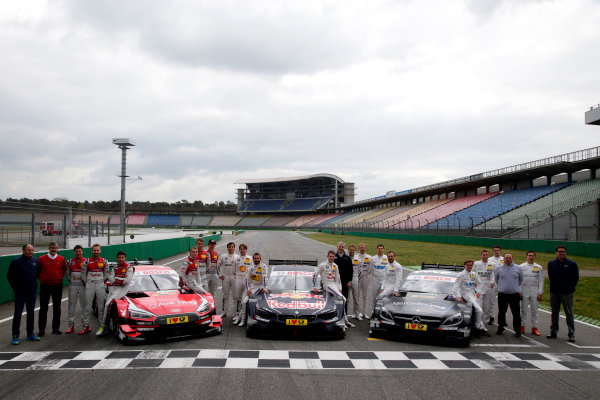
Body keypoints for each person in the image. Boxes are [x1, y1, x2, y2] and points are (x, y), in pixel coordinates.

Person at [7, 244, 40, 344]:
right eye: (28, 250)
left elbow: (37, 274)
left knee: (31, 313)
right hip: (20, 293)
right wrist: (16, 288)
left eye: (32, 250)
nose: (30, 252)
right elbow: (10, 276)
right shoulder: (16, 262)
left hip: (32, 292)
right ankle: (15, 335)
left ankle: (30, 334)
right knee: (18, 314)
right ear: (23, 251)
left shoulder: (35, 261)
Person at [313, 250, 354, 328]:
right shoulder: (323, 265)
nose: (331, 258)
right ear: (327, 256)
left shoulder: (335, 265)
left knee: (341, 300)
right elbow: (315, 275)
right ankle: (342, 320)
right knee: (343, 299)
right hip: (327, 285)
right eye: (330, 256)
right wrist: (314, 286)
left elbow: (338, 279)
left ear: (335, 257)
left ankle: (345, 321)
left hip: (334, 285)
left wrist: (340, 289)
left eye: (333, 256)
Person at [97, 251, 133, 336]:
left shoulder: (129, 268)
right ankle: (106, 325)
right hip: (113, 289)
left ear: (125, 258)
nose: (121, 259)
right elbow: (111, 280)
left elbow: (127, 281)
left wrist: (116, 279)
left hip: (123, 289)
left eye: (122, 257)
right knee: (104, 304)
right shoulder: (115, 268)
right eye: (119, 257)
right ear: (117, 258)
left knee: (108, 305)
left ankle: (103, 326)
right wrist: (120, 279)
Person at [547, 245, 579, 342]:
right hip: (554, 292)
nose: (562, 253)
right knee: (554, 312)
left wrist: (570, 287)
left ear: (565, 253)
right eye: (560, 252)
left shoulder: (572, 264)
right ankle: (553, 331)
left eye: (563, 252)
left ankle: (571, 333)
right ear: (556, 253)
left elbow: (575, 277)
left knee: (569, 313)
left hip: (567, 293)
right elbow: (550, 276)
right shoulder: (551, 263)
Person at [37, 242, 67, 336]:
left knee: (57, 308)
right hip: (45, 286)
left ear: (57, 249)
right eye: (52, 248)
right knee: (43, 308)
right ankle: (41, 329)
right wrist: (43, 279)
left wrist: (58, 278)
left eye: (55, 248)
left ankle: (56, 328)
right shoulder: (42, 259)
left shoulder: (61, 259)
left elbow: (63, 270)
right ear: (49, 248)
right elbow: (38, 271)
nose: (53, 249)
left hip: (57, 285)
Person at [454, 260, 490, 337]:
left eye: (471, 265)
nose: (469, 266)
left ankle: (481, 328)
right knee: (479, 310)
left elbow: (480, 283)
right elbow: (456, 287)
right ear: (464, 266)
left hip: (473, 295)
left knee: (479, 311)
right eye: (468, 265)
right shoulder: (460, 275)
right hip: (466, 295)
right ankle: (477, 327)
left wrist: (478, 292)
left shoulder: (473, 274)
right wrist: (459, 296)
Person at [493, 253, 523, 337]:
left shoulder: (518, 268)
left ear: (512, 259)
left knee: (516, 313)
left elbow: (521, 280)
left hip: (514, 294)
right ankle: (500, 328)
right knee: (502, 312)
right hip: (503, 294)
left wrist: (514, 287)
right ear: (504, 259)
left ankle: (517, 330)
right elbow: (496, 279)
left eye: (510, 258)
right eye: (506, 258)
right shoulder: (498, 268)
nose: (508, 259)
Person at [237, 252, 268, 327]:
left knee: (244, 302)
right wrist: (248, 289)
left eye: (258, 258)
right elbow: (247, 280)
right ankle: (239, 317)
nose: (256, 260)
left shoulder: (263, 267)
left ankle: (243, 321)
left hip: (259, 287)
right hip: (251, 287)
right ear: (253, 259)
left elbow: (264, 278)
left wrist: (264, 288)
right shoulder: (250, 268)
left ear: (260, 259)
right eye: (255, 258)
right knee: (242, 301)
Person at [83, 244, 108, 334]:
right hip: (90, 284)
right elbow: (83, 274)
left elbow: (106, 274)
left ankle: (101, 326)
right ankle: (86, 326)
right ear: (91, 251)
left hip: (100, 285)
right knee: (87, 307)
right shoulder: (86, 261)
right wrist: (88, 282)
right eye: (94, 250)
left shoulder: (104, 261)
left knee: (101, 306)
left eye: (98, 250)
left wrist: (101, 282)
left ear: (100, 251)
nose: (96, 252)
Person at [520, 250, 544, 336]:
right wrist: (519, 291)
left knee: (534, 310)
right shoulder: (521, 267)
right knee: (523, 310)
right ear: (526, 256)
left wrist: (540, 292)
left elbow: (541, 280)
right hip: (524, 290)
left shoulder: (539, 267)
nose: (531, 257)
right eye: (529, 255)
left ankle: (534, 327)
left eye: (532, 256)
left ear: (534, 257)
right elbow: (519, 280)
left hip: (534, 290)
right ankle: (522, 326)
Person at [65, 245, 88, 334]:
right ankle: (71, 326)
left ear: (82, 252)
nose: (78, 253)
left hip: (83, 286)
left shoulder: (86, 261)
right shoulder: (70, 262)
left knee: (84, 306)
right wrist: (72, 281)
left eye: (80, 251)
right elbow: (67, 273)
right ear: (74, 252)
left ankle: (85, 326)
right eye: (76, 251)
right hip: (73, 285)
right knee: (71, 305)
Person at [217, 242, 241, 318]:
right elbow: (217, 266)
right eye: (229, 247)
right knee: (225, 296)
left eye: (232, 247)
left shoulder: (238, 257)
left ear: (234, 248)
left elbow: (241, 269)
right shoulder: (223, 256)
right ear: (227, 248)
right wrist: (219, 275)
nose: (231, 248)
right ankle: (224, 312)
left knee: (235, 296)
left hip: (235, 278)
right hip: (225, 277)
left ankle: (236, 313)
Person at [473, 250, 496, 329]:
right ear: (481, 255)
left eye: (486, 255)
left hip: (488, 287)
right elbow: (472, 274)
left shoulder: (492, 264)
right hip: (479, 287)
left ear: (488, 256)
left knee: (487, 307)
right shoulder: (476, 264)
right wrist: (474, 281)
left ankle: (483, 324)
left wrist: (493, 282)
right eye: (483, 255)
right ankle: (477, 323)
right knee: (479, 306)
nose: (485, 256)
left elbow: (495, 275)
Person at [351, 243, 372, 320]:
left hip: (365, 278)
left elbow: (371, 268)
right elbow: (353, 268)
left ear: (365, 248)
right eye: (361, 247)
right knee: (356, 296)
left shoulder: (369, 257)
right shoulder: (355, 257)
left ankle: (365, 313)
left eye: (363, 247)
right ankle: (355, 312)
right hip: (357, 278)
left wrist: (367, 274)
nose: (362, 249)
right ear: (359, 248)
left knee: (365, 296)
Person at [233, 244, 252, 324]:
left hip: (247, 280)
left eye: (244, 249)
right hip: (238, 279)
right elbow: (234, 270)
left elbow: (252, 270)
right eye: (241, 249)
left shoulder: (250, 258)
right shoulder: (236, 259)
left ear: (246, 250)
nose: (242, 250)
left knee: (246, 299)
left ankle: (245, 315)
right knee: (237, 297)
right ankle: (237, 314)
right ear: (239, 250)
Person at [335, 242, 353, 314]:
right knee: (335, 299)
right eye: (340, 246)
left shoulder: (347, 258)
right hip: (335, 282)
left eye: (342, 247)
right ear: (337, 247)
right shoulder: (334, 257)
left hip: (345, 282)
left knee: (345, 299)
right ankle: (335, 314)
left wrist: (349, 281)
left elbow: (350, 271)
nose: (341, 248)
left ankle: (344, 315)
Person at [487, 245, 504, 325]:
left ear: (500, 251)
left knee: (503, 302)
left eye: (498, 250)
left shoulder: (504, 259)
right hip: (493, 282)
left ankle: (503, 319)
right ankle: (491, 317)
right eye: (495, 250)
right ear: (493, 251)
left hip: (503, 282)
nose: (496, 251)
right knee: (492, 301)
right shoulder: (489, 260)